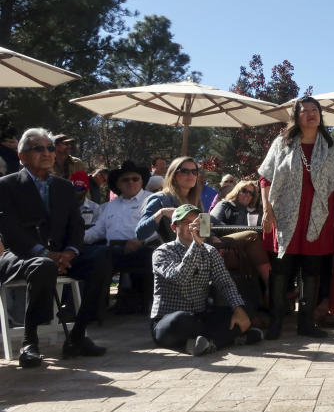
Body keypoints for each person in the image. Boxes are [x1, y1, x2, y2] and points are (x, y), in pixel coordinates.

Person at [0, 128, 111, 368]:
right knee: (43, 265)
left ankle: (78, 336)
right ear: (22, 156)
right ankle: (30, 342)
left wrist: (70, 251)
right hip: (21, 255)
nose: (47, 153)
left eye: (50, 148)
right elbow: (10, 230)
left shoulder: (63, 187)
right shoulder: (6, 185)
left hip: (62, 255)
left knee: (102, 258)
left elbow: (77, 226)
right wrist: (44, 253)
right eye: (38, 148)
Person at [258, 97, 334, 340]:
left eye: (314, 110)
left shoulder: (330, 145)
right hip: (284, 216)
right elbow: (265, 178)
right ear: (296, 117)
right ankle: (276, 321)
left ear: (320, 114)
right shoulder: (282, 143)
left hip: (318, 216)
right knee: (281, 271)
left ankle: (306, 323)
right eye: (304, 111)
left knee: (312, 270)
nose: (310, 114)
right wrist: (267, 209)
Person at [150, 204, 261, 355]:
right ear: (173, 227)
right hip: (170, 320)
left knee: (243, 308)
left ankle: (205, 343)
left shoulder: (210, 252)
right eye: (187, 222)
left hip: (200, 317)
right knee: (180, 320)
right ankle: (226, 339)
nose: (193, 226)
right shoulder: (162, 252)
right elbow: (179, 277)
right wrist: (197, 244)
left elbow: (225, 283)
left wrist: (238, 309)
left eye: (197, 221)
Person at [83, 160, 154, 314]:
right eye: (125, 179)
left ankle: (96, 308)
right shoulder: (111, 206)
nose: (131, 182)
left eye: (135, 178)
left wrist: (140, 240)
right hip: (112, 250)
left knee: (102, 256)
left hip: (143, 248)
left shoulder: (152, 200)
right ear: (118, 184)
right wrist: (75, 239)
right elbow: (97, 231)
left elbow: (157, 228)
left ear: (142, 181)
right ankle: (91, 308)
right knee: (89, 256)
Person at [135, 156, 205, 244]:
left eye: (194, 172)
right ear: (173, 175)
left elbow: (204, 233)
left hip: (195, 252)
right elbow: (140, 233)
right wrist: (162, 212)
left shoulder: (197, 201)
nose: (191, 175)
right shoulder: (160, 199)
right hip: (169, 254)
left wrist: (212, 235)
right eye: (184, 171)